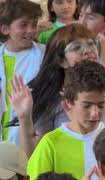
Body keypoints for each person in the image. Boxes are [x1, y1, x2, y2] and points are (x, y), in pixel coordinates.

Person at [7, 24, 105, 157]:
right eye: (76, 47)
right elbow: (34, 156)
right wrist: (24, 118)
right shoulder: (50, 99)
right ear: (62, 61)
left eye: (91, 44)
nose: (88, 50)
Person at [25, 61, 105, 179]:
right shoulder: (50, 144)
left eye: (101, 105)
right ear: (68, 104)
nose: (95, 113)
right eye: (87, 105)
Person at [0, 0, 44, 142]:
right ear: (5, 29)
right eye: (23, 25)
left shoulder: (44, 55)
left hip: (29, 134)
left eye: (34, 24)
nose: (31, 30)